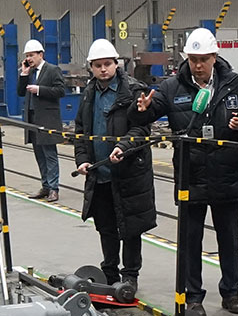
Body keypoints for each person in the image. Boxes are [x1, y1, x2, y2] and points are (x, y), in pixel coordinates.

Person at [136, 28, 238, 316]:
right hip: (190, 175)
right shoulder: (172, 87)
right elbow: (148, 112)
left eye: (203, 59)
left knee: (229, 238)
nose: (198, 65)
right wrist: (141, 109)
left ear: (215, 57)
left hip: (226, 173)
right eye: (193, 59)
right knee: (190, 240)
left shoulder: (235, 84)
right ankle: (193, 296)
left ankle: (231, 292)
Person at [72, 39, 155, 295]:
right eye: (97, 65)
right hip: (100, 174)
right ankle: (109, 272)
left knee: (130, 228)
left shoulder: (133, 90)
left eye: (107, 64)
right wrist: (82, 159)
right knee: (106, 226)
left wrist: (123, 146)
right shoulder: (89, 93)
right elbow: (81, 130)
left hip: (128, 174)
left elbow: (141, 128)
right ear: (91, 67)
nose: (103, 69)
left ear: (116, 64)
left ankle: (130, 275)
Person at [19, 38, 66, 201]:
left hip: (47, 119)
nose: (29, 59)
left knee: (49, 154)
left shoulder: (52, 70)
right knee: (39, 153)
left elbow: (60, 91)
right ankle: (45, 186)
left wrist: (39, 89)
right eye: (27, 56)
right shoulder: (29, 72)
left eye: (31, 55)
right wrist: (24, 74)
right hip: (32, 118)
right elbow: (20, 92)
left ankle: (53, 188)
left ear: (41, 55)